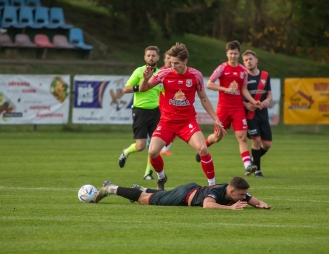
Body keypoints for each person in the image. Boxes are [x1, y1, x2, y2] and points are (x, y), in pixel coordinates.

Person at [140, 43, 226, 190]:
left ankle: (212, 186)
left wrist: (216, 119)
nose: (173, 66)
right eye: (171, 63)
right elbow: (143, 89)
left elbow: (204, 98)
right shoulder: (163, 73)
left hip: (187, 122)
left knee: (203, 149)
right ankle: (161, 177)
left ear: (185, 61)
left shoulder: (196, 75)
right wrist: (146, 79)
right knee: (152, 152)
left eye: (177, 63)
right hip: (167, 122)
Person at [201, 40, 260, 176]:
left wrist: (253, 101)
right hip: (223, 108)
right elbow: (209, 84)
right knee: (217, 137)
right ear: (227, 54)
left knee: (242, 137)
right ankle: (203, 147)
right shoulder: (222, 68)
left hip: (238, 108)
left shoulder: (243, 70)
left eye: (235, 53)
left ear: (238, 54)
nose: (233, 56)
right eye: (230, 53)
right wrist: (225, 89)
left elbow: (243, 89)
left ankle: (247, 165)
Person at [94, 176, 272, 210]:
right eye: (241, 195)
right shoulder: (217, 192)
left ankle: (140, 188)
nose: (244, 197)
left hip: (190, 189)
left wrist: (261, 204)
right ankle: (110, 188)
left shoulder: (234, 191)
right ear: (232, 191)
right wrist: (231, 208)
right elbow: (207, 205)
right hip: (183, 196)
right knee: (144, 200)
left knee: (156, 195)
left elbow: (251, 199)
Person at [118, 46, 161, 180]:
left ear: (158, 57)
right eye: (148, 55)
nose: (151, 58)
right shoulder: (139, 71)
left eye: (153, 55)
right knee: (141, 146)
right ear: (144, 57)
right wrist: (140, 87)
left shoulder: (161, 74)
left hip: (157, 112)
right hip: (140, 111)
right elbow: (126, 89)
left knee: (155, 146)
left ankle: (148, 173)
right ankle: (126, 152)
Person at [242, 50, 272, 177]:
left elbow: (269, 94)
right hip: (250, 115)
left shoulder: (265, 75)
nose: (248, 62)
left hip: (263, 114)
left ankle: (253, 161)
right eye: (246, 60)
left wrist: (267, 101)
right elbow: (238, 96)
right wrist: (246, 104)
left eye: (250, 59)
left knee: (267, 144)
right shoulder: (243, 77)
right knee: (256, 141)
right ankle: (257, 171)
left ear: (256, 60)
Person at [159, 51, 174, 156]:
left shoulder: (176, 71)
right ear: (164, 59)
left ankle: (164, 149)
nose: (169, 60)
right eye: (167, 58)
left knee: (174, 130)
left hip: (173, 106)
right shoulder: (161, 72)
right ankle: (161, 149)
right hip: (162, 106)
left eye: (171, 58)